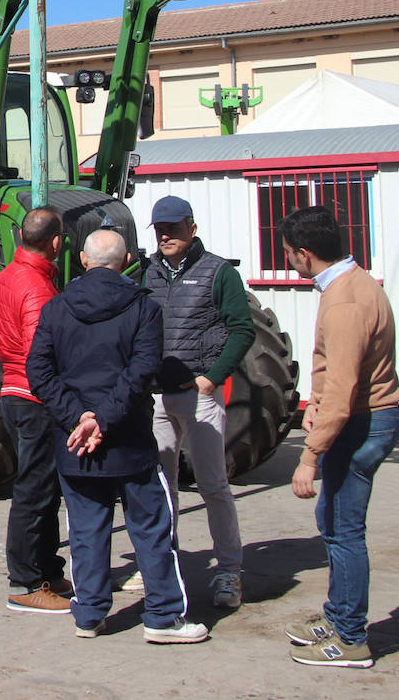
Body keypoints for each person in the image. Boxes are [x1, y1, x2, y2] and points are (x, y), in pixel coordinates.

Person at [27, 229, 208, 644]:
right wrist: (103, 419)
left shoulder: (56, 308)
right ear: (127, 259)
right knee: (152, 527)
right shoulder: (143, 307)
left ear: (85, 261)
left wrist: (79, 419)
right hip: (129, 440)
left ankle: (88, 615)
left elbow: (39, 372)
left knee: (87, 531)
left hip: (78, 444)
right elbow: (142, 370)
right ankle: (162, 617)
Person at [278, 206, 399, 668]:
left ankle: (351, 638)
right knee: (332, 523)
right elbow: (333, 372)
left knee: (344, 531)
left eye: (289, 255)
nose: (288, 261)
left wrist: (310, 456)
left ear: (305, 254)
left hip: (362, 423)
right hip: (354, 418)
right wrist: (315, 408)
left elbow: (347, 385)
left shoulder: (347, 301)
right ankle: (339, 615)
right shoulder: (345, 284)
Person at [144, 195, 253, 608]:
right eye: (159, 229)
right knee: (160, 487)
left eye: (173, 227)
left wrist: (212, 379)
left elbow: (242, 329)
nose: (166, 235)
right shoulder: (147, 273)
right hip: (156, 397)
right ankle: (161, 564)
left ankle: (229, 571)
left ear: (192, 227)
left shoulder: (218, 273)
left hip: (199, 395)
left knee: (213, 486)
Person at [0, 207, 70, 614]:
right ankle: (24, 582)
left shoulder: (7, 277)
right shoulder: (37, 287)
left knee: (43, 488)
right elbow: (44, 351)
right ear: (56, 243)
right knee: (35, 492)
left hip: (14, 390)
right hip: (35, 398)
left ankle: (47, 570)